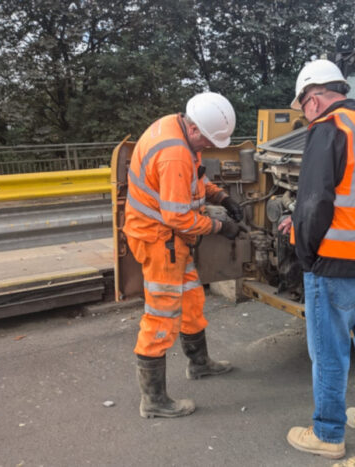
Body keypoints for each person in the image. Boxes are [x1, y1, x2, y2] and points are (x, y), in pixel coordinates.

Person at [280, 60, 355, 459]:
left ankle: (328, 435)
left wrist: (305, 255)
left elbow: (314, 203)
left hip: (335, 265)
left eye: (303, 107)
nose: (305, 114)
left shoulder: (328, 130)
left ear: (313, 100)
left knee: (329, 353)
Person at [124, 92, 245, 419]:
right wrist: (221, 228)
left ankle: (199, 363)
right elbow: (178, 216)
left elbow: (195, 176)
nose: (206, 147)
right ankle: (154, 400)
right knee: (161, 316)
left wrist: (221, 196)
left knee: (191, 299)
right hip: (159, 240)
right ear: (194, 130)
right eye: (205, 140)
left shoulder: (176, 128)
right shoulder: (175, 153)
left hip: (170, 240)